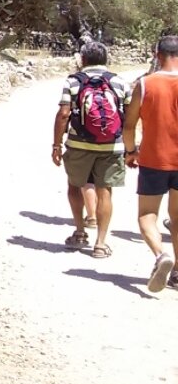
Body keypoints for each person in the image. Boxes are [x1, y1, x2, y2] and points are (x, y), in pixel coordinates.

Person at [51, 42, 128, 257]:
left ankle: (79, 232)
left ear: (83, 59)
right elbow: (129, 116)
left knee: (75, 186)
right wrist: (130, 147)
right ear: (106, 59)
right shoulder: (119, 82)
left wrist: (56, 145)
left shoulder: (73, 81)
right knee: (105, 191)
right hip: (111, 146)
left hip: (78, 144)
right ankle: (101, 244)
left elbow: (64, 114)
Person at [123, 35, 178, 292]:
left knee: (147, 216)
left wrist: (131, 151)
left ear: (158, 56)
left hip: (154, 159)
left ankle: (161, 255)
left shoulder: (145, 84)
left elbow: (129, 125)